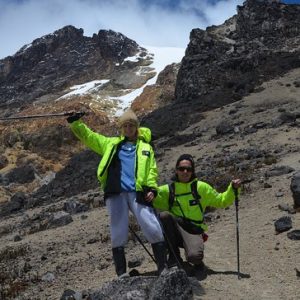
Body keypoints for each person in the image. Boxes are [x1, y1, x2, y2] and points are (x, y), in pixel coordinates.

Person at [67, 109, 166, 277]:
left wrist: (152, 189)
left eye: (131, 125)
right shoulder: (111, 144)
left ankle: (163, 267)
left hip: (138, 192)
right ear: (121, 128)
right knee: (118, 230)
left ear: (136, 127)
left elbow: (151, 171)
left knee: (151, 225)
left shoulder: (146, 147)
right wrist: (76, 123)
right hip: (116, 192)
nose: (128, 128)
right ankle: (121, 273)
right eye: (125, 125)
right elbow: (90, 137)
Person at [149, 154, 242, 271]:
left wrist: (233, 189)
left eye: (188, 169)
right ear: (176, 170)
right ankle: (174, 257)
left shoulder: (201, 188)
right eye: (181, 169)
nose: (185, 172)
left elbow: (221, 201)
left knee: (194, 257)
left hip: (194, 230)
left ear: (192, 171)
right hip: (176, 229)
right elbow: (153, 197)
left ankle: (197, 261)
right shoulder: (168, 190)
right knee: (164, 216)